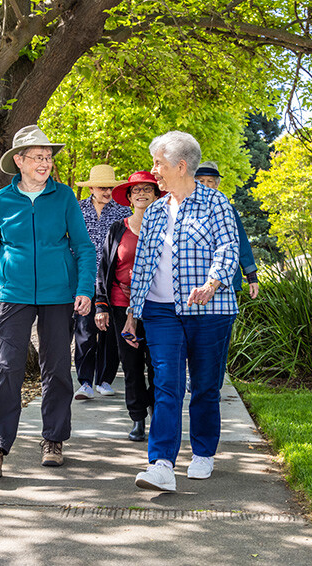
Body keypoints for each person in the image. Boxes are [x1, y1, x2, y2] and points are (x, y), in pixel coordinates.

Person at [0, 125, 95, 478]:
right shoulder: (2, 201)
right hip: (14, 294)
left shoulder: (65, 197)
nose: (45, 163)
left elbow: (84, 248)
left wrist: (84, 289)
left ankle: (53, 440)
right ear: (19, 161)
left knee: (55, 369)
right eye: (38, 157)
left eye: (49, 157)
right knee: (7, 367)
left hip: (58, 294)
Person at [122, 131, 239, 492]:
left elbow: (228, 248)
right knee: (166, 386)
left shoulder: (216, 204)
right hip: (161, 312)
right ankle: (160, 464)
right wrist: (132, 313)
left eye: (158, 163)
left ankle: (203, 452)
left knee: (205, 386)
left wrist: (213, 282)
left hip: (210, 310)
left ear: (181, 165)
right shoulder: (155, 210)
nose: (153, 171)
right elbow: (143, 264)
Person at [94, 171, 164, 441]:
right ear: (130, 197)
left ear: (157, 195)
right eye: (136, 190)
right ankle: (138, 419)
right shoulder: (117, 229)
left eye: (148, 189)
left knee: (158, 365)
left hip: (157, 306)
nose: (142, 194)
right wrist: (101, 305)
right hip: (122, 308)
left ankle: (158, 414)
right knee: (132, 366)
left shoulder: (165, 227)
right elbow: (104, 269)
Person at [73, 165, 131, 400]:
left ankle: (104, 379)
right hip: (84, 279)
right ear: (92, 188)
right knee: (84, 330)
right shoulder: (77, 210)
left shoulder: (123, 212)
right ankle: (85, 382)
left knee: (108, 333)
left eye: (110, 187)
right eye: (102, 187)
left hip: (110, 280)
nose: (107, 191)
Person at [194, 161, 259, 299]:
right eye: (200, 181)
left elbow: (240, 240)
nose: (205, 185)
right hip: (196, 278)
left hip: (225, 280)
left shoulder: (227, 208)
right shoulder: (186, 208)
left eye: (210, 181)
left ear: (217, 184)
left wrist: (251, 276)